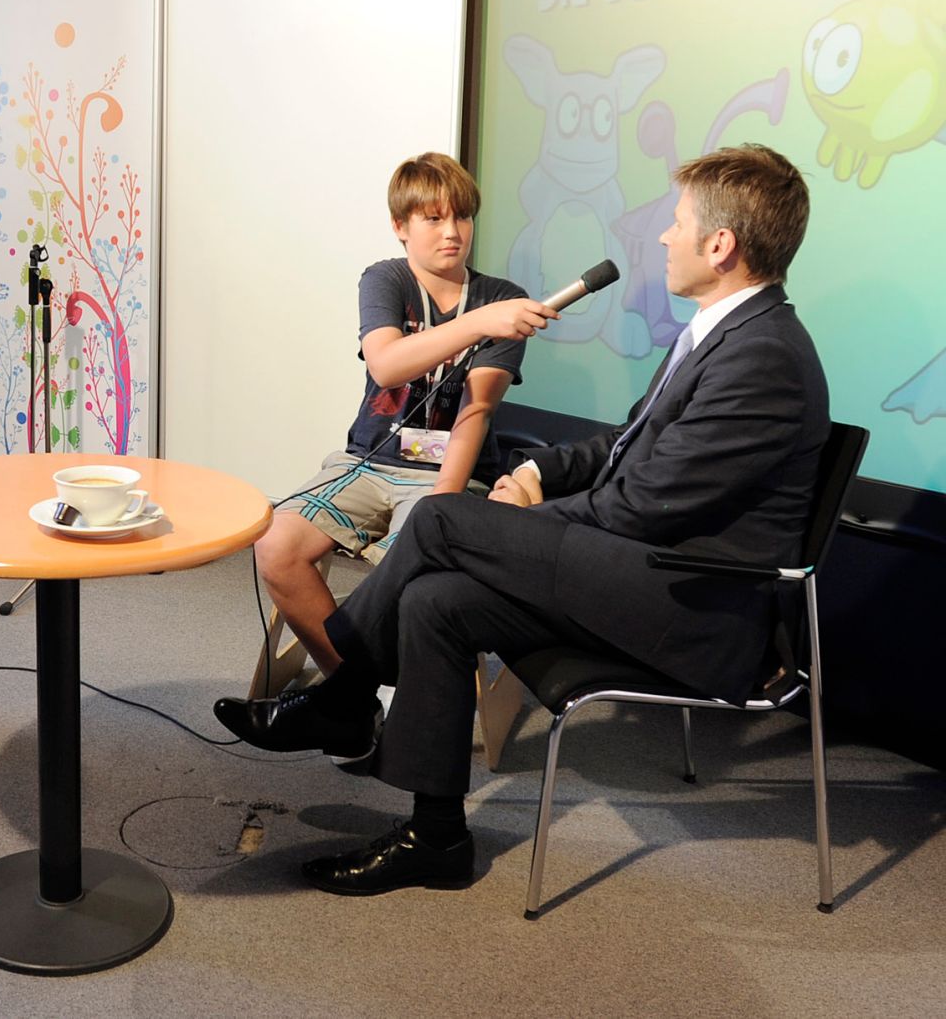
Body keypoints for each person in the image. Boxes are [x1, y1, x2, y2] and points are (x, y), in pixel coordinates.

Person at [216, 144, 828, 897]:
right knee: (437, 603)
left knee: (441, 521)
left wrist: (526, 514)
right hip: (644, 571)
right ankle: (435, 834)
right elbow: (626, 448)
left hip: (693, 603)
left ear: (720, 245)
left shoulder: (762, 353)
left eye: (677, 223)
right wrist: (539, 471)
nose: (665, 237)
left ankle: (341, 695)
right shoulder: (720, 332)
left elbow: (646, 504)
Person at [247, 152, 554, 678]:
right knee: (275, 544)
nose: (452, 232)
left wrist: (437, 512)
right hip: (367, 461)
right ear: (400, 226)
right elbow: (387, 365)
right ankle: (353, 684)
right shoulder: (388, 280)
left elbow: (474, 415)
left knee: (412, 568)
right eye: (433, 219)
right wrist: (482, 324)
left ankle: (376, 696)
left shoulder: (503, 298)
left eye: (462, 217)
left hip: (450, 476)